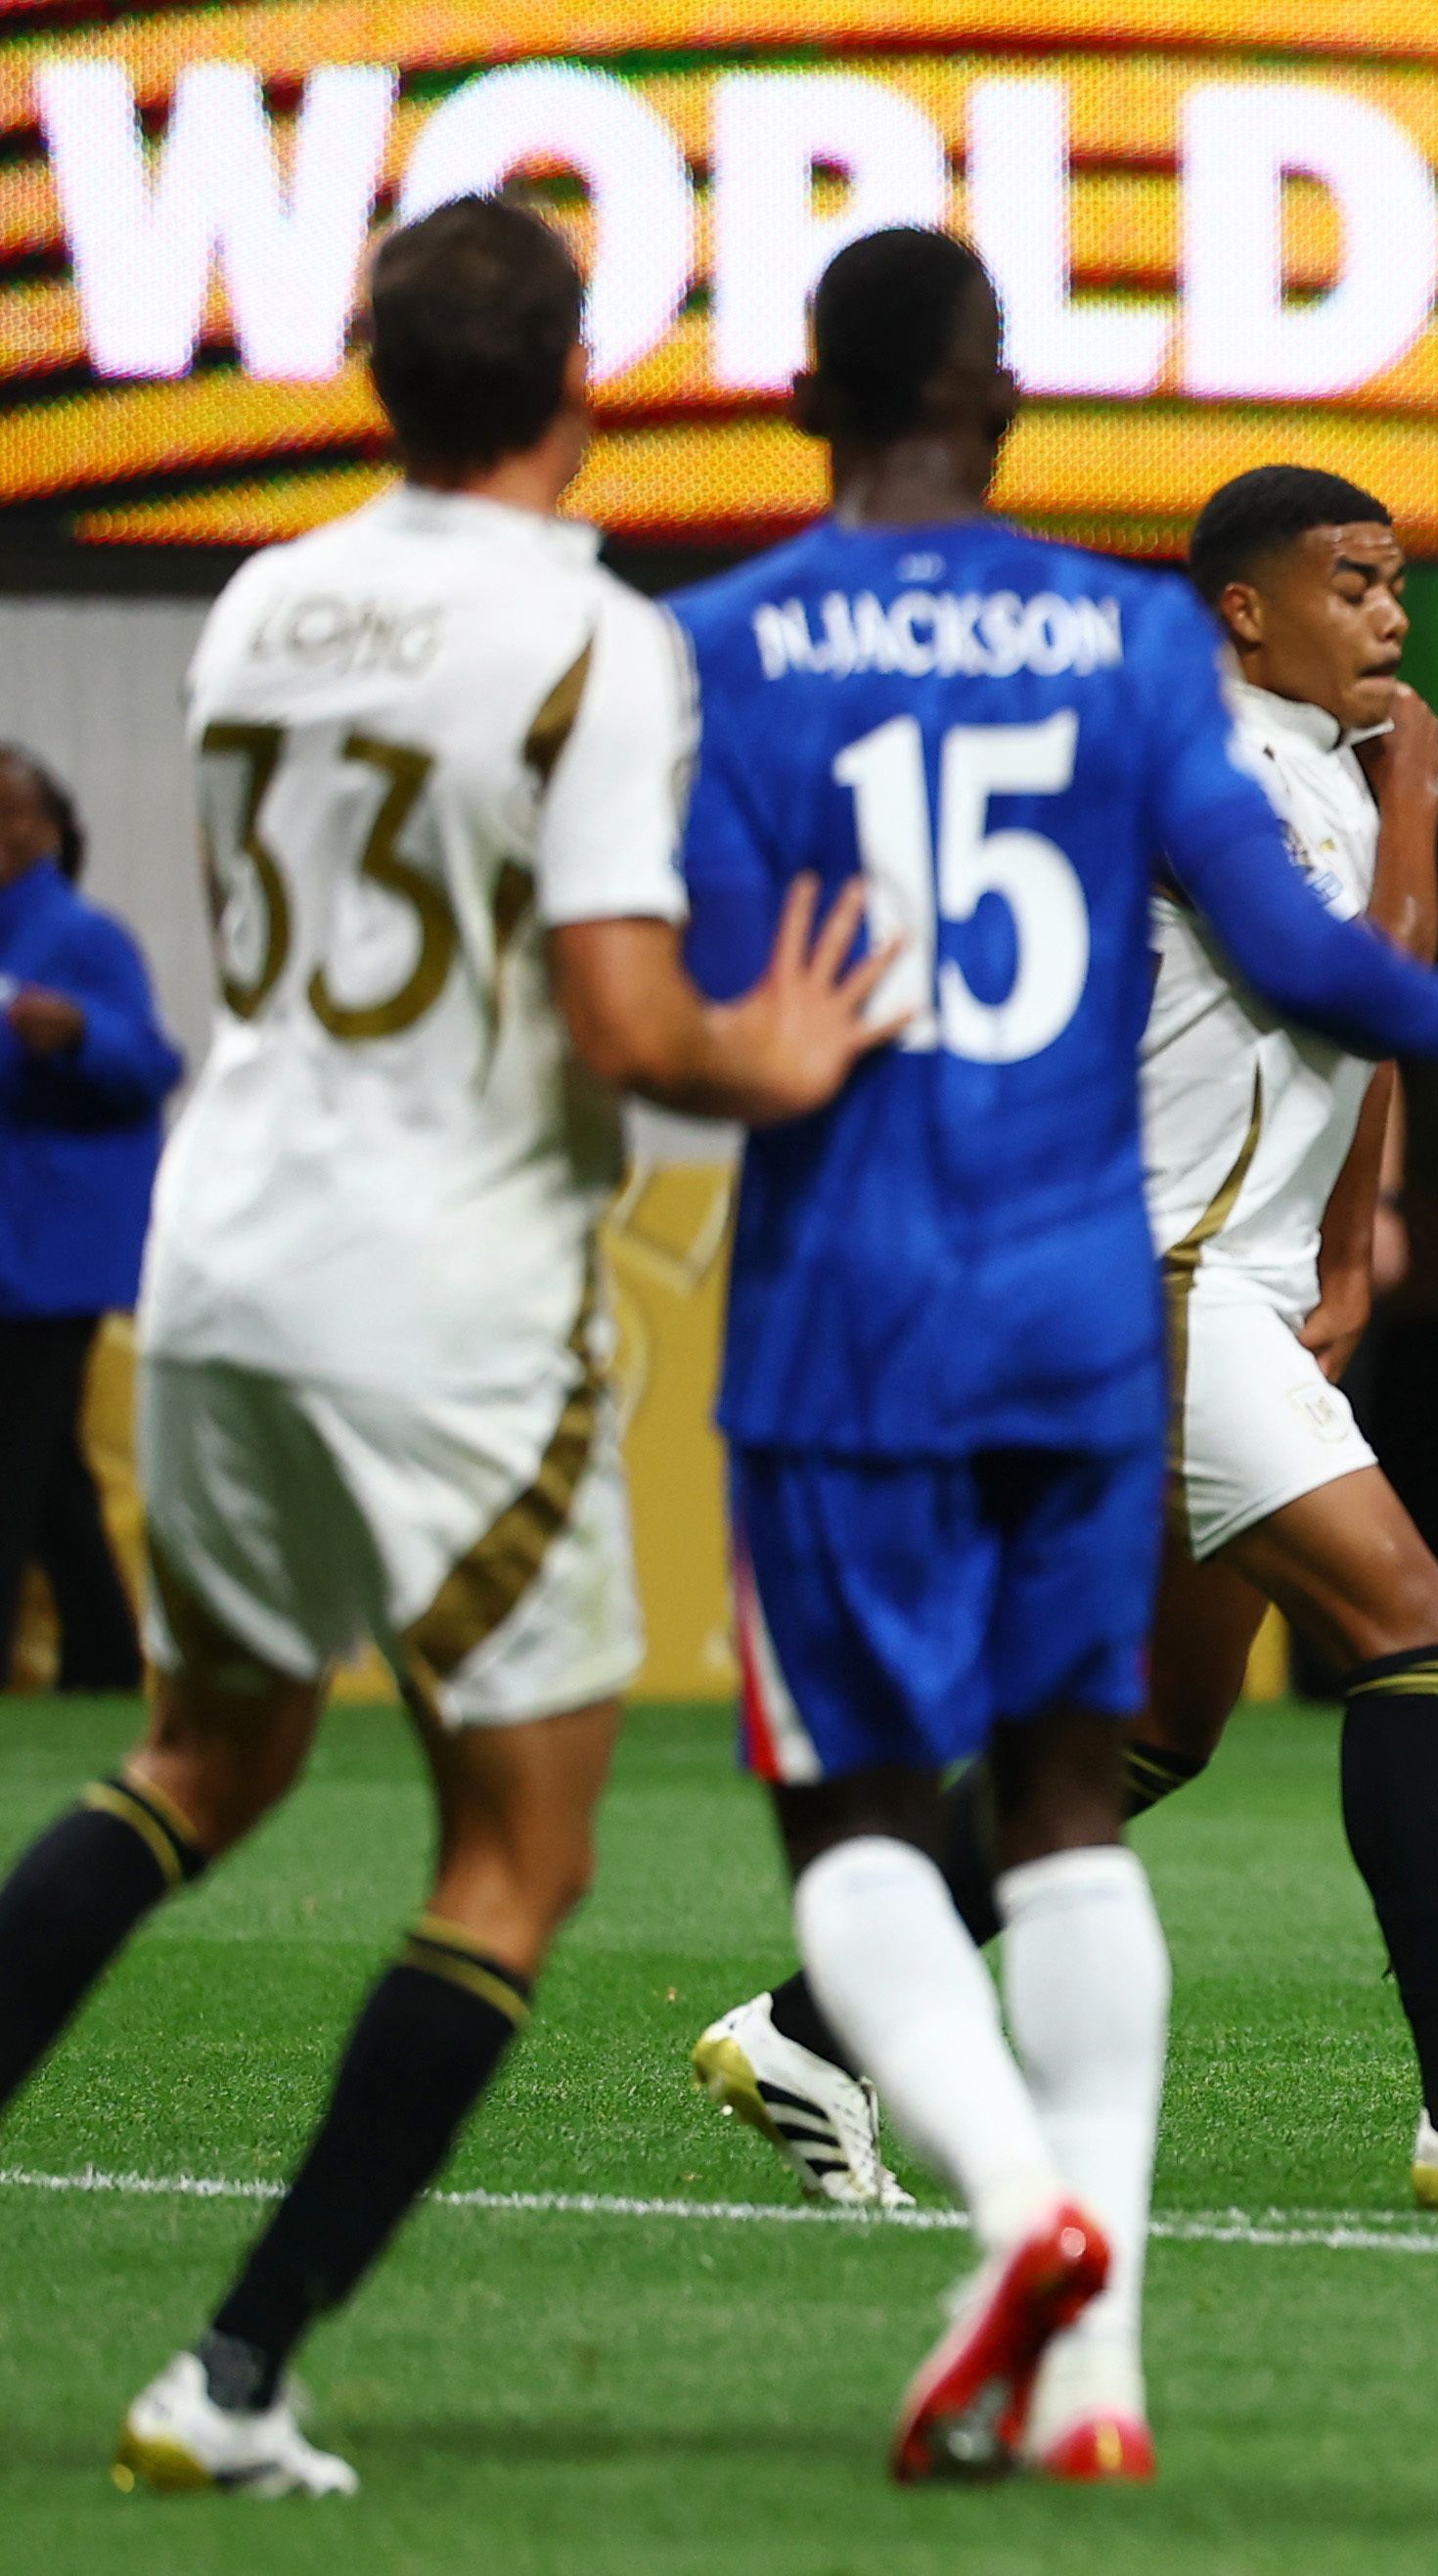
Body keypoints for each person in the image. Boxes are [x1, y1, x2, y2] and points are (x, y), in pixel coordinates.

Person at [0, 198, 895, 2499]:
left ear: (374, 376)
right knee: (515, 1851)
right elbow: (626, 1021)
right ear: (581, 376)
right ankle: (234, 2374)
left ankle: (238, 2373)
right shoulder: (594, 636)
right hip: (448, 1294)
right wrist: (784, 1048)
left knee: (203, 1760)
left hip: (225, 1251)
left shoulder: (261, 602)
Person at [662, 228, 1438, 2484]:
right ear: (1002, 402)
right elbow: (1308, 960)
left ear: (802, 399)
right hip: (1102, 1285)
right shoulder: (1116, 646)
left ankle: (983, 2182)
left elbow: (682, 1000)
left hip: (854, 1295)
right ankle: (1121, 2357)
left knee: (889, 1809)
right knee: (1111, 1792)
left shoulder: (724, 641)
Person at [692, 464, 1438, 2221]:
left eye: (1398, 580)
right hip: (1151, 1275)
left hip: (1230, 1275)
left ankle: (808, 2025)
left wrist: (1349, 1235)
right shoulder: (1210, 752)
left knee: (1163, 1715)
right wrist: (1419, 791)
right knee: (1415, 1627)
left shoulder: (1312, 763)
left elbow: (1350, 1042)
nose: (1391, 611)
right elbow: (1362, 971)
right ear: (1244, 608)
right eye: (1352, 580)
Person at [0, 742, 175, 1692]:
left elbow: (150, 1062)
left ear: (47, 829)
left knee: (14, 1461)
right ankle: (105, 1655)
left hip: (50, 1251)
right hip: (19, 1244)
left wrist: (78, 1036)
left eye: (8, 810)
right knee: (49, 1472)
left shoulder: (84, 938)